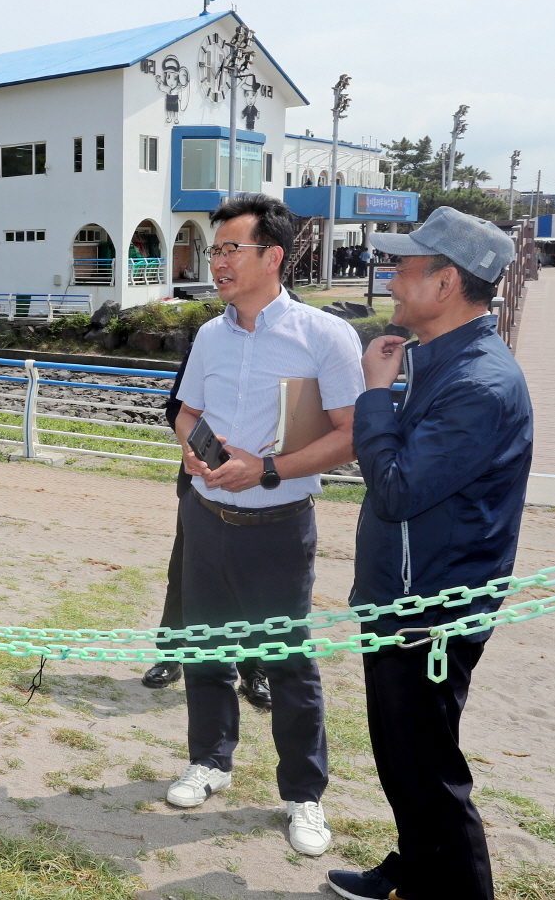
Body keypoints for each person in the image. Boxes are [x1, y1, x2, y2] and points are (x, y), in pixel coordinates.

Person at [325, 208, 531, 900]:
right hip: (401, 596)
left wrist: (374, 392)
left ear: (444, 282)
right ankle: (416, 865)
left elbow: (394, 489)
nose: (388, 277)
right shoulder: (438, 358)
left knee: (431, 770)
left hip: (433, 610)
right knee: (401, 756)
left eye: (402, 267)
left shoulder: (479, 383)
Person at [168, 192, 364, 859]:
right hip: (206, 516)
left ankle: (304, 794)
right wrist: (193, 448)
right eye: (213, 249)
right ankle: (209, 760)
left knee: (287, 661)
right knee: (203, 647)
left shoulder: (326, 336)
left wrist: (268, 468)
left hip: (280, 524)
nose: (216, 260)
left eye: (229, 248)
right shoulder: (209, 334)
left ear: (272, 256)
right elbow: (186, 409)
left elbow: (351, 435)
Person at [141, 339, 271, 711]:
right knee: (184, 575)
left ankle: (254, 671)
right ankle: (171, 655)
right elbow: (177, 410)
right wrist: (202, 447)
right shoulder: (211, 339)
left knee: (256, 584)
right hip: (203, 486)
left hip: (268, 489)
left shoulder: (298, 344)